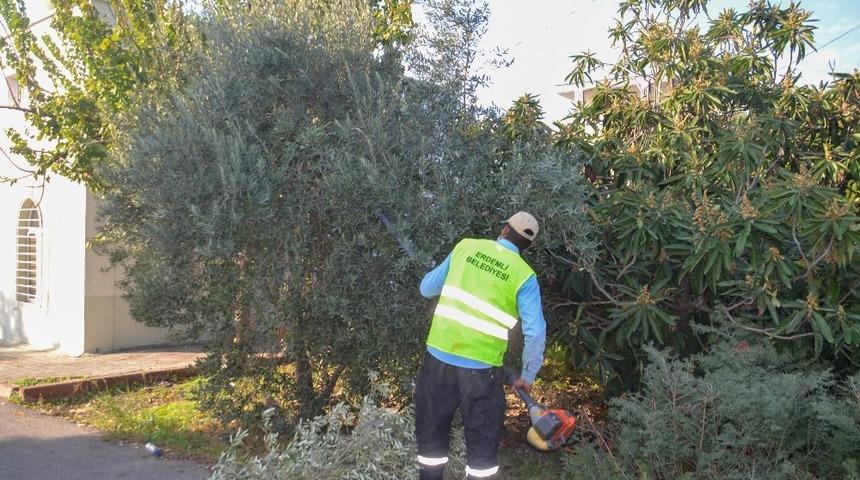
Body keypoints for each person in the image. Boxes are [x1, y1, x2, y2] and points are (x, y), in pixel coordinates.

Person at [414, 211, 547, 480]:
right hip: (482, 374)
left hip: (438, 362)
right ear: (528, 246)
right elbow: (535, 333)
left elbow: (426, 289)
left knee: (431, 445)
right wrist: (528, 376)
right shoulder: (524, 276)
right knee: (482, 455)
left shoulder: (466, 247)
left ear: (504, 229)